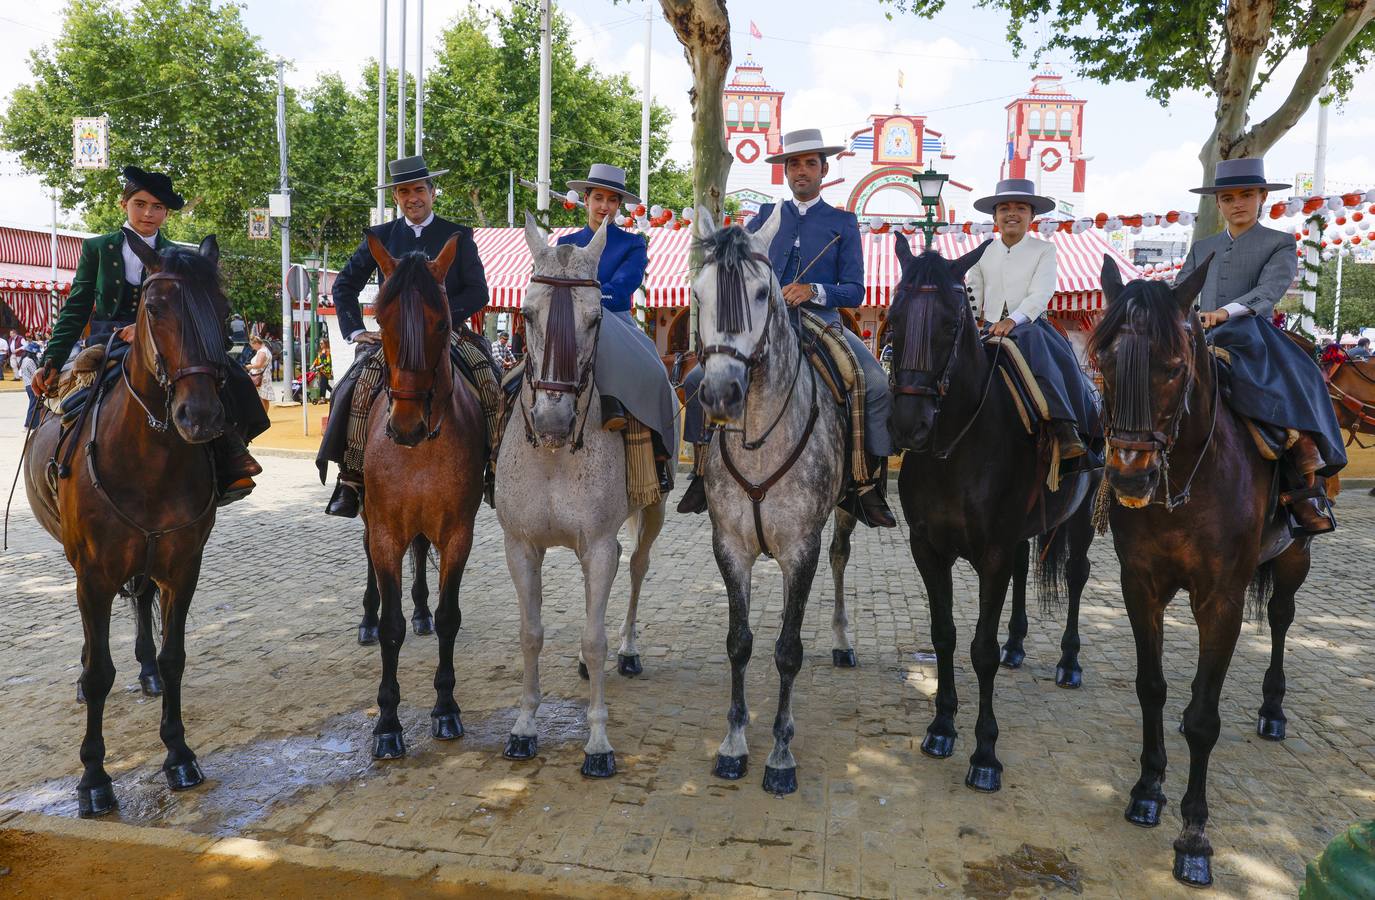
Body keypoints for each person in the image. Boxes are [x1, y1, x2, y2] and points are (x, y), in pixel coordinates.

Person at [678, 128, 896, 527]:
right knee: (696, 381)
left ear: (823, 170)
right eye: (794, 164)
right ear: (785, 171)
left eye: (810, 163)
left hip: (822, 323)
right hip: (761, 327)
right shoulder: (761, 219)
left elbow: (854, 290)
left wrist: (814, 289)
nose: (801, 171)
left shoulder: (843, 223)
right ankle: (701, 472)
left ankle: (865, 484)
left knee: (874, 384)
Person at [29, 165, 267, 503]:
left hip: (166, 341)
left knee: (223, 377)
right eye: (140, 204)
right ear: (123, 204)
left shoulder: (179, 256)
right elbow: (77, 307)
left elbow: (187, 309)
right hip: (107, 342)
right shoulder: (97, 248)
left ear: (166, 214)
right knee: (73, 394)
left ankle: (230, 453)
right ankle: (61, 459)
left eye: (157, 207)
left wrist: (146, 328)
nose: (148, 213)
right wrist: (51, 358)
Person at [318, 155, 499, 517]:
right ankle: (351, 476)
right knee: (354, 387)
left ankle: (494, 469)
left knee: (490, 381)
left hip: (448, 334)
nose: (412, 197)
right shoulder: (382, 236)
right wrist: (355, 330)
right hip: (396, 340)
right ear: (397, 197)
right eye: (404, 192)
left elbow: (479, 292)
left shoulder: (459, 235)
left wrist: (440, 319)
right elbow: (344, 286)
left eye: (419, 189)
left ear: (432, 192)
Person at [1179, 157, 1345, 534]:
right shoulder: (1202, 245)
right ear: (1218, 203)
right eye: (1229, 197)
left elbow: (1269, 291)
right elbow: (1180, 289)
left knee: (1297, 375)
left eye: (1247, 195)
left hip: (1251, 334)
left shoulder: (1280, 242)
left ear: (1262, 198)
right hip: (1197, 336)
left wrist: (1223, 313)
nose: (1238, 203)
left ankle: (1305, 470)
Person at [555, 163, 679, 493]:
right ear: (586, 199)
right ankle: (499, 454)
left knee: (655, 374)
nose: (604, 206)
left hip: (615, 320)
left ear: (619, 205)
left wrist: (585, 295)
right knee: (517, 379)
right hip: (568, 325)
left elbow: (622, 288)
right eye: (598, 198)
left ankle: (658, 456)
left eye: (612, 200)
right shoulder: (565, 243)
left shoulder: (633, 244)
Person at [964, 178, 1098, 462]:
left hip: (1030, 327)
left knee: (1046, 354)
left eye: (1020, 208)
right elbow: (972, 290)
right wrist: (972, 321)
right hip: (989, 329)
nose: (1012, 213)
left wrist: (1013, 321)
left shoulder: (1044, 250)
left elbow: (1042, 291)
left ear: (1032, 216)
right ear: (995, 216)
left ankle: (1064, 426)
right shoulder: (983, 251)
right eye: (1005, 208)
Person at [245, 334, 274, 415]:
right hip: (263, 376)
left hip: (260, 377)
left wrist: (249, 367)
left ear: (256, 343)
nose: (252, 348)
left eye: (252, 346)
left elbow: (259, 364)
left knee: (261, 397)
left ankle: (262, 415)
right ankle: (264, 415)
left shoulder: (262, 351)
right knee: (263, 398)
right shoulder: (265, 350)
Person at [17, 341, 41, 429]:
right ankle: (32, 425)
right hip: (32, 385)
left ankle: (27, 424)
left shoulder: (24, 359)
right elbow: (35, 374)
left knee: (32, 404)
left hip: (28, 385)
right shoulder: (30, 361)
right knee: (34, 405)